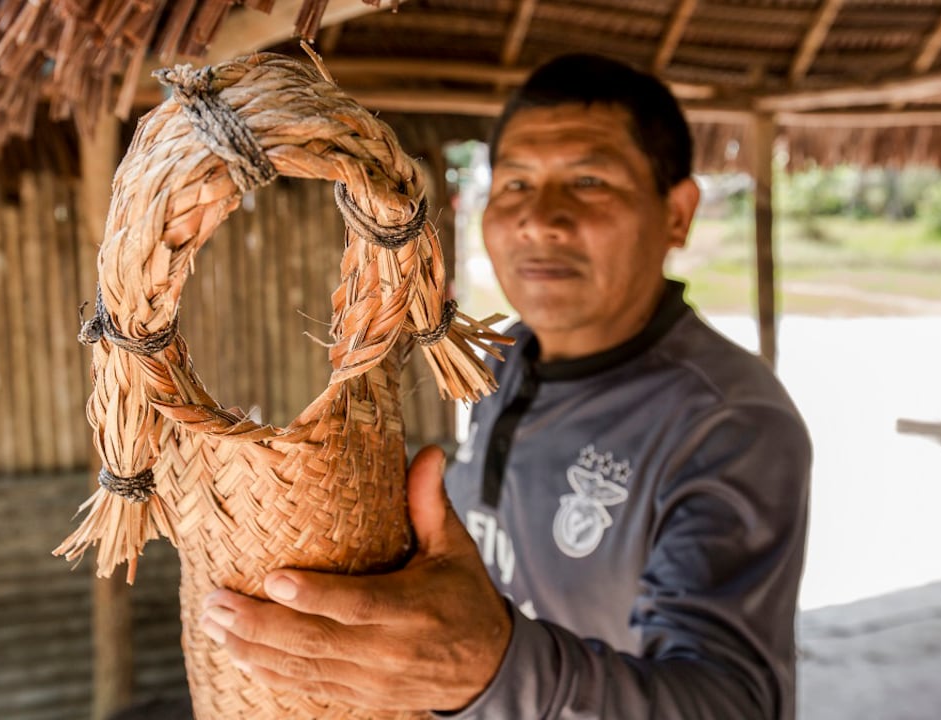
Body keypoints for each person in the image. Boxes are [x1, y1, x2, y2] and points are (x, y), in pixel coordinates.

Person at [198, 53, 812, 719]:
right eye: (515, 184)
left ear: (677, 214)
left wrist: (490, 669)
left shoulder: (729, 426)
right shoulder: (499, 358)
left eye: (589, 180)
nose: (538, 220)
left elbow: (733, 704)